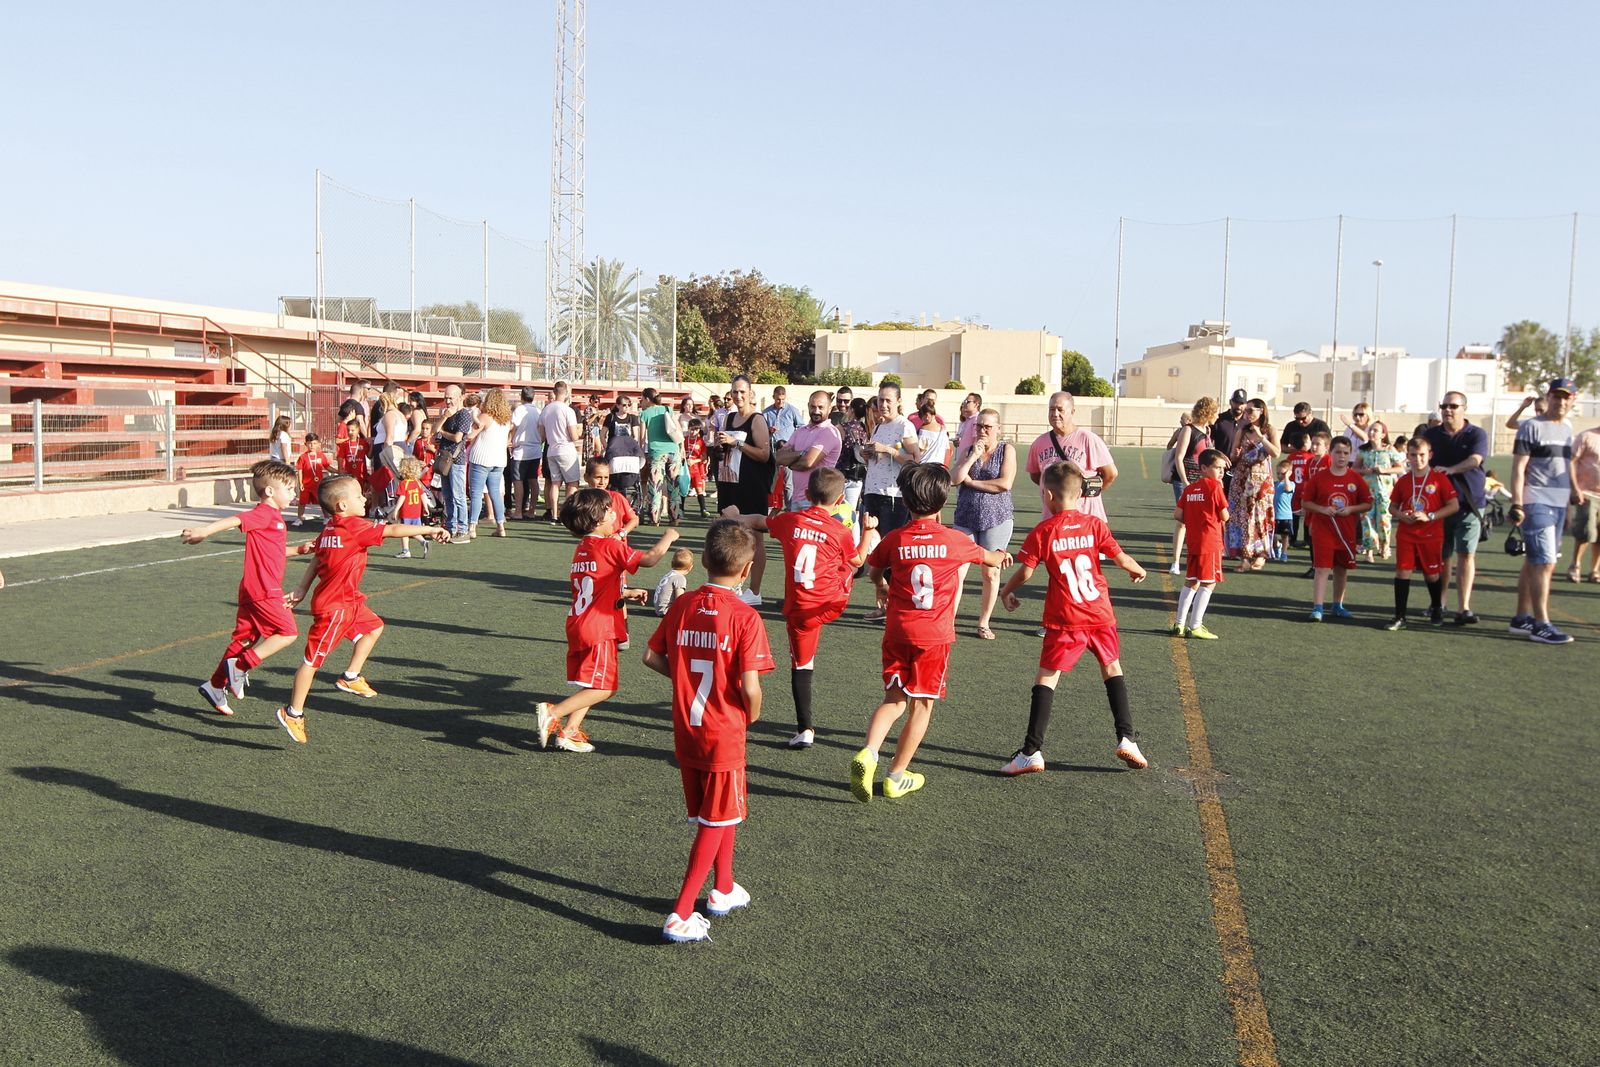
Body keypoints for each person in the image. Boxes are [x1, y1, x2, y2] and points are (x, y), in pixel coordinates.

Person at [644, 519, 774, 944]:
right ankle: (681, 912)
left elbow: (651, 656)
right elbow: (751, 687)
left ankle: (722, 888)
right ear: (747, 568)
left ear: (702, 560)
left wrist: (683, 681)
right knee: (716, 821)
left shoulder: (682, 604)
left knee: (721, 812)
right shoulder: (745, 616)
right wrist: (749, 713)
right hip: (723, 730)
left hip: (688, 727)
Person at [848, 464, 1008, 803]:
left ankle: (869, 753)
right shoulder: (956, 541)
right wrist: (1002, 555)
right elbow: (989, 558)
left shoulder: (895, 539)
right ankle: (895, 776)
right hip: (933, 637)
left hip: (897, 631)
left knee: (893, 700)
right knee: (921, 707)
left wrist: (883, 587)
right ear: (944, 501)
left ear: (905, 501)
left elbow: (874, 571)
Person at [996, 459, 1149, 774]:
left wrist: (1005, 590)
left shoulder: (1044, 530)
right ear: (1080, 494)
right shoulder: (1095, 525)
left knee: (1047, 678)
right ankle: (1127, 738)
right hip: (1100, 612)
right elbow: (1120, 557)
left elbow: (1025, 571)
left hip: (1066, 618)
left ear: (1048, 496)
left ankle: (1031, 752)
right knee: (1112, 668)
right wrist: (1134, 567)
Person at [275, 475, 448, 744]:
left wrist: (301, 588)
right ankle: (293, 713)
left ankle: (350, 677)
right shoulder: (354, 526)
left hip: (349, 602)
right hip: (335, 609)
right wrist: (429, 530)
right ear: (343, 505)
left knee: (374, 627)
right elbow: (391, 531)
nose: (365, 499)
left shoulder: (330, 527)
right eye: (359, 496)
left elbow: (315, 559)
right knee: (312, 662)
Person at [728, 467, 879, 749]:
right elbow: (859, 560)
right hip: (832, 602)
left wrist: (735, 517)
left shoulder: (790, 520)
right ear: (839, 502)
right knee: (846, 566)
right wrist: (868, 532)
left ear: (807, 494)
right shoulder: (839, 529)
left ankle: (805, 729)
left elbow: (760, 521)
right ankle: (804, 729)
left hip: (800, 609)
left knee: (802, 664)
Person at [535, 488, 679, 754]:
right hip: (599, 626)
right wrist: (668, 537)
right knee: (604, 687)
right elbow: (648, 560)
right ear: (597, 519)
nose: (616, 514)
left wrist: (625, 592)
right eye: (610, 510)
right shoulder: (610, 544)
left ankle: (569, 732)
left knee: (591, 683)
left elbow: (592, 586)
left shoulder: (582, 549)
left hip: (580, 622)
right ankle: (553, 712)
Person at [182, 461, 302, 717]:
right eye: (290, 488)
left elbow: (275, 552)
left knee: (245, 639)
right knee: (288, 632)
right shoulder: (264, 513)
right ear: (270, 491)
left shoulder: (275, 518)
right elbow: (237, 519)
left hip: (251, 589)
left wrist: (300, 550)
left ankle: (215, 686)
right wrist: (205, 531)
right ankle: (240, 667)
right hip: (264, 590)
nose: (294, 493)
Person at [1508, 378, 1582, 644]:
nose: (1561, 401)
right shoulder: (1531, 427)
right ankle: (1541, 623)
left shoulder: (1567, 428)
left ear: (1573, 400)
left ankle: (1521, 618)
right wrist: (1517, 503)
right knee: (1545, 563)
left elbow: (1564, 464)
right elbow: (1518, 468)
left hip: (1559, 503)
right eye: (1557, 396)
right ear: (1549, 397)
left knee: (1534, 561)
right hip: (1536, 500)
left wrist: (1572, 494)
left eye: (1567, 397)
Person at [1422, 391, 1491, 625]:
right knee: (1442, 557)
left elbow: (1476, 460)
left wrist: (1452, 470)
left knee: (1466, 554)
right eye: (1444, 405)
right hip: (1438, 506)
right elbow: (1420, 460)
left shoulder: (1476, 434)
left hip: (1469, 503)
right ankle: (1438, 605)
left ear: (1464, 408)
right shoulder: (1431, 434)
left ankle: (1464, 608)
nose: (1447, 410)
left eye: (1453, 406)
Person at [950, 407, 1016, 640]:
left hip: (996, 519)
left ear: (998, 429)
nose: (982, 430)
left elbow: (1004, 484)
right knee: (957, 571)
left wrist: (973, 483)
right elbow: (955, 479)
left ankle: (984, 622)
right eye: (979, 426)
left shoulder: (1007, 450)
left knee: (990, 573)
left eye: (988, 426)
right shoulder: (969, 449)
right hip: (966, 518)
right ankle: (950, 621)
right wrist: (972, 458)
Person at [1383, 437, 1459, 630]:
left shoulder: (1439, 479)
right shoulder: (1403, 481)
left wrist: (1430, 516)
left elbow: (1453, 506)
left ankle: (1436, 607)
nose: (1418, 459)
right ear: (1407, 456)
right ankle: (1400, 616)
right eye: (1414, 455)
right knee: (1403, 571)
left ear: (1430, 455)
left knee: (1432, 574)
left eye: (1422, 455)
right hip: (1407, 534)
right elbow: (1392, 507)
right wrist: (1401, 514)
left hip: (1431, 535)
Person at [714, 375, 776, 606]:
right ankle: (733, 584)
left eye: (742, 392)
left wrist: (736, 443)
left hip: (751, 485)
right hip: (730, 482)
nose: (738, 396)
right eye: (735, 392)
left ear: (750, 394)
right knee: (730, 534)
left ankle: (755, 591)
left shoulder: (756, 420)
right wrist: (721, 444)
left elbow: (764, 454)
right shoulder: (729, 417)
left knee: (755, 538)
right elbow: (726, 448)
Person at [1303, 437, 1373, 621]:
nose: (1341, 456)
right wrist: (1323, 510)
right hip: (1323, 530)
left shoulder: (1355, 478)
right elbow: (1306, 502)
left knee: (1342, 569)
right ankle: (1317, 608)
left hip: (1346, 531)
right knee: (1322, 568)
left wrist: (1351, 509)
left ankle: (1337, 605)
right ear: (1330, 453)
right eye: (1338, 452)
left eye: (1345, 453)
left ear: (1350, 454)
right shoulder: (1319, 477)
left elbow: (1367, 504)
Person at [1026, 392, 1117, 521]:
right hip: (1053, 519)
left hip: (1087, 518)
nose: (1055, 414)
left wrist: (1089, 492)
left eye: (1060, 409)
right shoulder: (1039, 443)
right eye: (1051, 409)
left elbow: (1111, 474)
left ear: (1072, 411)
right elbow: (1036, 476)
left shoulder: (1089, 440)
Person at [1172, 449, 1230, 639]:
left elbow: (1178, 515)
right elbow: (1225, 516)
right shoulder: (1215, 487)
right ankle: (1195, 625)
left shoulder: (1189, 489)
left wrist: (1194, 518)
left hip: (1194, 541)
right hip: (1210, 542)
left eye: (1222, 468)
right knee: (1208, 583)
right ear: (1204, 468)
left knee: (1191, 582)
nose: (1221, 472)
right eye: (1217, 467)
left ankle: (1179, 624)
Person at [860, 382, 921, 547]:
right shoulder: (878, 426)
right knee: (872, 546)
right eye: (880, 400)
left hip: (893, 495)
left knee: (889, 546)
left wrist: (888, 450)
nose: (883, 405)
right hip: (872, 492)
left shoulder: (904, 425)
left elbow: (916, 460)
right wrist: (867, 455)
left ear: (899, 401)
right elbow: (879, 458)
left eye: (888, 400)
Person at [1224, 402, 1280, 572]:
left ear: (1261, 411)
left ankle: (1262, 554)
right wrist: (1235, 455)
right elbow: (1233, 455)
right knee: (1242, 518)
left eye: (1250, 410)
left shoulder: (1270, 430)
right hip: (1241, 480)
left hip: (1261, 482)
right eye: (1245, 410)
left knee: (1261, 518)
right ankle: (1245, 558)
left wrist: (1261, 438)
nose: (1246, 413)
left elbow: (1276, 453)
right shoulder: (1242, 431)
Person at [1168, 397, 1218, 573]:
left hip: (1203, 481)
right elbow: (1179, 457)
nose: (1217, 415)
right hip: (1186, 480)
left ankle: (1197, 557)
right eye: (1215, 412)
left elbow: (1209, 454)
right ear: (1208, 412)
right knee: (1183, 521)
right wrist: (1185, 482)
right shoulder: (1188, 430)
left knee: (1201, 520)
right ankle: (1175, 561)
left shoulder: (1207, 431)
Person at [774, 390, 842, 511]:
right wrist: (802, 453)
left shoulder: (829, 432)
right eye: (813, 406)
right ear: (808, 406)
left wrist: (791, 462)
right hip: (796, 499)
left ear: (829, 408)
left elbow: (808, 463)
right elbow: (778, 458)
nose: (816, 411)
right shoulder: (800, 432)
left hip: (817, 502)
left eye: (821, 407)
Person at [464, 388, 512, 540]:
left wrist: (474, 420)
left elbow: (470, 436)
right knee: (495, 493)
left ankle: (472, 527)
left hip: (481, 459)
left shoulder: (485, 417)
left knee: (476, 493)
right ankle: (500, 526)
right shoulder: (505, 420)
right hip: (498, 460)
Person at [1355, 432, 1403, 561]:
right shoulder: (1364, 451)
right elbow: (1354, 469)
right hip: (1367, 491)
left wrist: (1385, 470)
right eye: (1371, 430)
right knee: (1367, 521)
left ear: (1382, 434)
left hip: (1384, 493)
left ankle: (1384, 546)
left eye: (1376, 430)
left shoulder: (1389, 450)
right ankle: (1369, 551)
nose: (1372, 433)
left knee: (1384, 521)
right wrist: (1364, 471)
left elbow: (1400, 468)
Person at [640, 387, 685, 525]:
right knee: (674, 485)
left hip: (656, 452)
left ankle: (655, 518)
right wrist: (681, 448)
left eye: (642, 398)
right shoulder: (668, 410)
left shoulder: (644, 414)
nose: (641, 401)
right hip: (673, 450)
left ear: (647, 399)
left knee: (655, 486)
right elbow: (677, 429)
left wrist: (642, 453)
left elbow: (642, 438)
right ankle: (675, 517)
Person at [540, 381, 583, 524]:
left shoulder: (546, 409)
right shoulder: (567, 410)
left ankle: (554, 514)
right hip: (565, 448)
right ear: (566, 393)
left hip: (551, 449)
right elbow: (573, 435)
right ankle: (569, 514)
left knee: (555, 483)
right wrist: (577, 434)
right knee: (572, 483)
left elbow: (542, 435)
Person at [433, 385, 473, 539]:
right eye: (445, 398)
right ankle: (451, 526)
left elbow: (457, 438)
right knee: (447, 495)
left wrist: (442, 432)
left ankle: (462, 528)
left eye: (450, 398)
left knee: (458, 495)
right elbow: (434, 430)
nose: (447, 401)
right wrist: (444, 418)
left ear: (459, 397)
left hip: (456, 459)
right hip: (444, 458)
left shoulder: (464, 414)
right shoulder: (446, 413)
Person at [1569, 419, 1600, 584]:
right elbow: (1571, 462)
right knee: (1586, 532)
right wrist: (1575, 489)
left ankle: (1595, 570)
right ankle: (1575, 565)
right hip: (1587, 493)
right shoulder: (1587, 436)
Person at [508, 388, 544, 521]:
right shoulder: (538, 411)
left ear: (521, 396)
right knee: (533, 480)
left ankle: (518, 511)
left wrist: (510, 440)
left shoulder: (519, 410)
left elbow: (514, 427)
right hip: (535, 448)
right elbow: (542, 430)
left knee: (518, 481)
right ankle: (532, 509)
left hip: (521, 449)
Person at [836, 397, 871, 533]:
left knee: (838, 510)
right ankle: (855, 545)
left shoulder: (842, 427)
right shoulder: (867, 428)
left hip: (842, 473)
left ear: (851, 410)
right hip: (859, 474)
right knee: (852, 512)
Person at [392, 457, 430, 560]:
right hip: (416, 512)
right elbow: (423, 495)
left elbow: (402, 497)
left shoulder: (404, 483)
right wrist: (425, 507)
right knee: (414, 531)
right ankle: (423, 542)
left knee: (404, 531)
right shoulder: (417, 483)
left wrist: (396, 509)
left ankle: (406, 550)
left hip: (407, 511)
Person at [293, 433, 333, 527]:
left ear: (318, 444)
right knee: (302, 502)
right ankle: (299, 518)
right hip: (306, 485)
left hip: (318, 485)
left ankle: (326, 517)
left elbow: (327, 466)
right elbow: (300, 470)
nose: (312, 446)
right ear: (305, 444)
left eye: (314, 443)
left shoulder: (321, 455)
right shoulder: (303, 457)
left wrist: (338, 471)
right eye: (310, 443)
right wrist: (300, 483)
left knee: (322, 501)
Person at [1210, 388, 1248, 467]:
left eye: (1241, 403)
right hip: (1221, 467)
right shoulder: (1219, 419)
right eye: (1236, 402)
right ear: (1230, 402)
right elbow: (1207, 444)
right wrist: (1219, 455)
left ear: (1245, 405)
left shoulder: (1248, 423)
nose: (1238, 406)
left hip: (1241, 468)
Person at [654, 547, 694, 616]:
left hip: (659, 609)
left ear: (672, 563)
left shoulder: (670, 574)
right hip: (667, 610)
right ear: (690, 567)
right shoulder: (680, 578)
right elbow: (679, 599)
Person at [683, 419, 710, 517]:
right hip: (685, 468)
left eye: (696, 429)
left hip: (696, 469)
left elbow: (704, 457)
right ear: (688, 428)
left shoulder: (700, 441)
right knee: (683, 489)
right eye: (692, 429)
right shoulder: (684, 440)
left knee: (699, 490)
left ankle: (703, 509)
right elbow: (680, 453)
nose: (693, 431)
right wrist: (685, 460)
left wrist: (694, 461)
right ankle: (681, 509)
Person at [913, 394, 949, 466]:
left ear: (926, 415)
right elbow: (947, 450)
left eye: (922, 417)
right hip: (939, 466)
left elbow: (920, 451)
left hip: (925, 466)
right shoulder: (943, 429)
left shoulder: (923, 430)